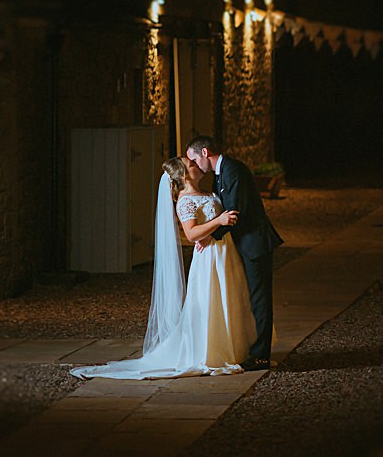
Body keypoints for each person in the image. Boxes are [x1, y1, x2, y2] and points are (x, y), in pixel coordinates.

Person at [70, 157, 256, 379]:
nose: (197, 165)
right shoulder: (186, 201)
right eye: (192, 164)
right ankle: (212, 350)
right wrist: (218, 222)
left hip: (225, 253)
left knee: (230, 297)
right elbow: (191, 234)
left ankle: (234, 347)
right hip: (209, 260)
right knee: (211, 300)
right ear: (184, 175)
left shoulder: (208, 192)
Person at [185, 135, 283, 371]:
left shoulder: (233, 171)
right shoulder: (220, 173)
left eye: (194, 160)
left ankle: (261, 356)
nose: (195, 166)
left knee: (259, 300)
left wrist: (210, 237)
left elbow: (235, 213)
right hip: (242, 243)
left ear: (205, 153)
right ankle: (249, 346)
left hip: (255, 243)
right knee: (248, 297)